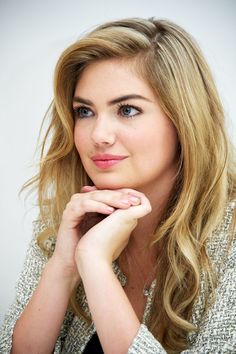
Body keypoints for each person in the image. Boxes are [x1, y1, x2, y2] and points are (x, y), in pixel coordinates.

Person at [0, 17, 236, 354]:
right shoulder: (70, 222)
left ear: (185, 119)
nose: (98, 135)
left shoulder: (230, 243)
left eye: (127, 109)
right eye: (84, 111)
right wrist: (65, 264)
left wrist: (95, 264)